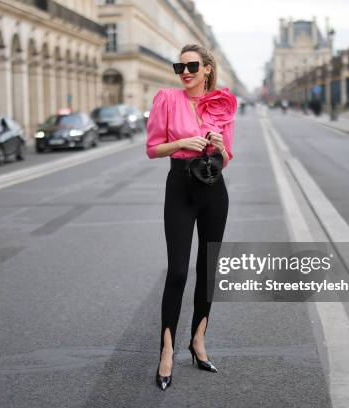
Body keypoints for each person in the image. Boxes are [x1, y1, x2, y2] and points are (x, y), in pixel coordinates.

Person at [145, 44, 237, 391]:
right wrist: (185, 141)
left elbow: (228, 157)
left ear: (207, 69)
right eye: (179, 67)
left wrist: (218, 144)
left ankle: (198, 340)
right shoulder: (167, 99)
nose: (184, 72)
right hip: (179, 188)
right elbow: (152, 148)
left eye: (191, 66)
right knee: (178, 272)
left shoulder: (223, 104)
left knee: (208, 269)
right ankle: (166, 351)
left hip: (214, 189)